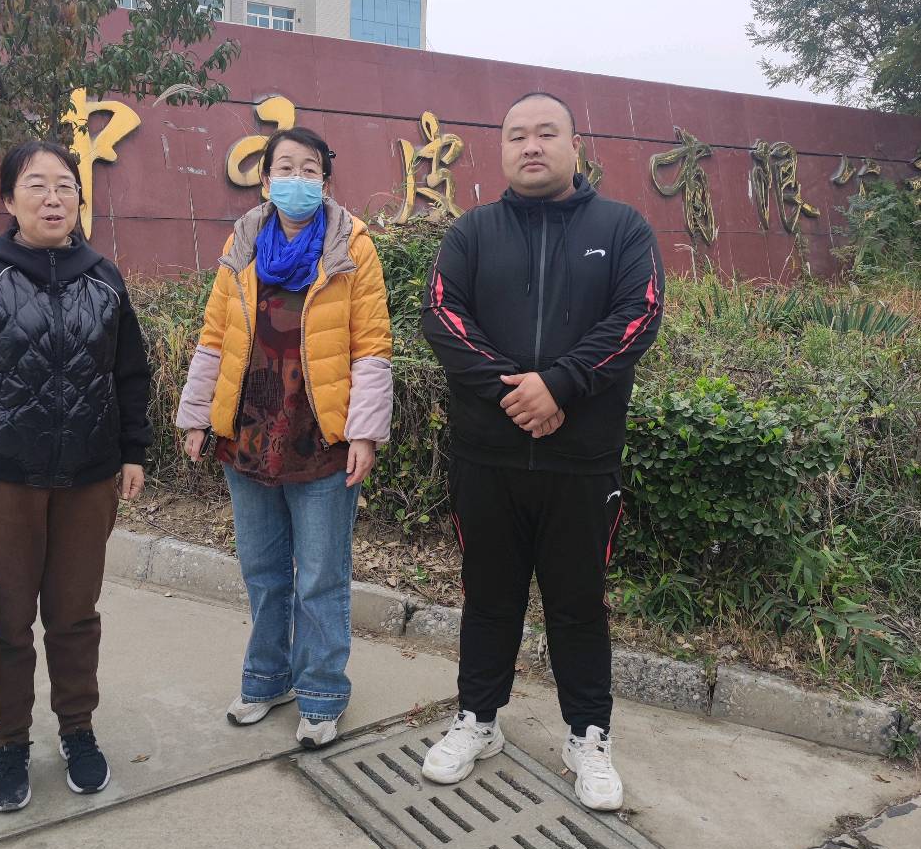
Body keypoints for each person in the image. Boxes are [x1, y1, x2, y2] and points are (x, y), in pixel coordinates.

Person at [419, 92, 662, 809]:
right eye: (517, 135)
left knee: (579, 604)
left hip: (581, 463)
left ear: (573, 146)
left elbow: (639, 313)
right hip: (487, 460)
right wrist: (516, 394)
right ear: (501, 150)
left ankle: (588, 735)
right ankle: (478, 719)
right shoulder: (473, 232)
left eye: (546, 133)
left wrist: (559, 384)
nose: (531, 145)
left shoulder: (621, 228)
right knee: (488, 598)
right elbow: (441, 314)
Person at [0, 140, 152, 813]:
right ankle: (12, 743)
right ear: (8, 199)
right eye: (36, 185)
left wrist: (133, 451)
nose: (54, 198)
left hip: (88, 477)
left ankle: (77, 731)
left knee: (75, 616)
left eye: (65, 186)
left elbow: (130, 374)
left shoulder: (104, 277)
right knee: (7, 620)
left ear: (79, 199)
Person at [177, 127, 392, 748]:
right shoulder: (242, 243)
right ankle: (267, 678)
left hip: (319, 436)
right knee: (263, 570)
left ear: (325, 181)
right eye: (285, 168)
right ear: (266, 179)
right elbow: (214, 335)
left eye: (310, 169)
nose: (297, 179)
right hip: (249, 431)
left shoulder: (351, 247)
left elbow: (372, 346)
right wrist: (197, 416)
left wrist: (364, 433)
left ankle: (321, 693)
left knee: (321, 575)